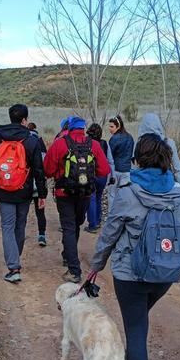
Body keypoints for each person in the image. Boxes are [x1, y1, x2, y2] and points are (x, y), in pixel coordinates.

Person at [88, 134, 180, 360]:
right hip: (165, 273)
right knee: (139, 320)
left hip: (130, 274)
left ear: (138, 158)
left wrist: (96, 265)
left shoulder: (129, 191)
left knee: (135, 330)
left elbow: (110, 232)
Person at [0, 104, 47, 284]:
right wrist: (42, 195)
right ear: (25, 120)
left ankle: (13, 266)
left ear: (10, 117)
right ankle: (14, 260)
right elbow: (39, 171)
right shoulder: (31, 140)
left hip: (3, 190)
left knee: (7, 226)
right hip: (24, 191)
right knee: (20, 225)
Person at [44, 116, 110, 284]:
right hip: (85, 193)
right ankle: (68, 255)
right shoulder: (93, 144)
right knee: (76, 225)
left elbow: (48, 169)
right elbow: (104, 170)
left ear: (69, 127)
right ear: (83, 128)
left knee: (68, 227)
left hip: (64, 193)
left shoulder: (60, 143)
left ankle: (74, 269)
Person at [137, 113, 180, 187]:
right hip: (166, 184)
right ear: (159, 125)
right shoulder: (169, 142)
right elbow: (177, 170)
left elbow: (135, 168)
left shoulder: (139, 144)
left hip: (145, 184)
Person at [84, 123, 109, 233]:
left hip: (92, 174)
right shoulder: (104, 143)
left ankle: (92, 225)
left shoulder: (87, 143)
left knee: (91, 198)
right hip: (103, 175)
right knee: (98, 198)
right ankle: (98, 221)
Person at [28, 122, 48, 246]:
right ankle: (42, 235)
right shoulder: (41, 147)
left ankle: (19, 234)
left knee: (22, 212)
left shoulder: (24, 145)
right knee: (40, 212)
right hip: (39, 186)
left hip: (25, 185)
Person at [106, 115, 134, 207]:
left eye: (111, 126)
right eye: (109, 126)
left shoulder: (114, 139)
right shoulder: (130, 137)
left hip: (115, 171)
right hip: (126, 171)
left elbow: (109, 156)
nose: (109, 129)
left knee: (112, 195)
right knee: (124, 196)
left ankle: (111, 216)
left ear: (118, 126)